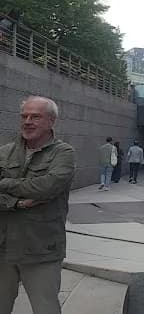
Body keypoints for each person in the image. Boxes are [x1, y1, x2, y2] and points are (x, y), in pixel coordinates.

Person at [0, 96, 76, 313]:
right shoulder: (4, 152)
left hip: (41, 247)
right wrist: (18, 203)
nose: (28, 121)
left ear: (51, 121)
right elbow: (37, 189)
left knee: (45, 308)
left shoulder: (64, 153)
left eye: (35, 116)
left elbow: (48, 187)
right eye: (24, 116)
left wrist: (3, 184)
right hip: (3, 246)